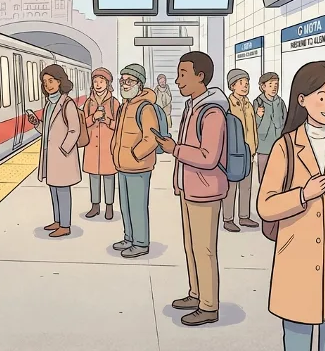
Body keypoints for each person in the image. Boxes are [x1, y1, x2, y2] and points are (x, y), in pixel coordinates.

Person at [257, 61, 325, 351]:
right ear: (302, 100)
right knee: (297, 334)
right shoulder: (286, 146)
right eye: (321, 96)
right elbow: (265, 206)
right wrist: (302, 195)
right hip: (297, 255)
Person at [156, 51, 229, 327]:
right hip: (190, 187)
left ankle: (209, 306)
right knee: (191, 246)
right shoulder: (193, 106)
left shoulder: (211, 111)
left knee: (204, 249)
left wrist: (174, 148)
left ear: (201, 76)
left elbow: (209, 157)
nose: (177, 80)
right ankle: (197, 293)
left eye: (183, 74)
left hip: (206, 189)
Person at [26, 64, 82, 238]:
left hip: (62, 155)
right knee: (54, 188)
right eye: (44, 82)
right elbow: (47, 129)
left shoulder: (67, 104)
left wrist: (64, 149)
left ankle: (65, 225)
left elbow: (75, 130)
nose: (48, 85)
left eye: (51, 81)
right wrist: (36, 123)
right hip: (51, 155)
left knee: (63, 189)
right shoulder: (50, 104)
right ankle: (58, 220)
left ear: (60, 81)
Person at [110, 63, 159, 258]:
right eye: (123, 80)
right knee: (126, 206)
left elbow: (152, 137)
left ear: (140, 84)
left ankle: (141, 243)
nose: (125, 84)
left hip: (138, 167)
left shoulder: (145, 108)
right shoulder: (125, 106)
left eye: (129, 81)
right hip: (123, 166)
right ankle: (129, 237)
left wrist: (135, 155)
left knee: (137, 206)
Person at [82, 68, 121, 220]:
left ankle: (109, 206)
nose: (98, 84)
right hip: (92, 146)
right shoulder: (88, 103)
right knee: (94, 177)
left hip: (108, 147)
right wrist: (93, 117)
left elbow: (119, 125)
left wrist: (107, 121)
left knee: (109, 177)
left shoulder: (114, 103)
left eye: (101, 81)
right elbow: (82, 123)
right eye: (95, 82)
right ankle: (95, 206)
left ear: (108, 84)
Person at [223, 68, 259, 231]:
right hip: (233, 152)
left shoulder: (249, 105)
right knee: (231, 185)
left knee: (246, 186)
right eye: (241, 83)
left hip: (248, 152)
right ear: (232, 86)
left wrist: (254, 147)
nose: (245, 86)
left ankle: (244, 216)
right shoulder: (227, 105)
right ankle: (228, 218)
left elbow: (253, 128)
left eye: (247, 83)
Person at [253, 72, 287, 183]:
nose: (274, 88)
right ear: (263, 87)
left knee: (278, 175)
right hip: (263, 145)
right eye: (270, 84)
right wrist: (258, 115)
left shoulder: (280, 102)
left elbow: (286, 122)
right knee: (263, 176)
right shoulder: (258, 102)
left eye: (276, 84)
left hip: (278, 143)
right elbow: (253, 125)